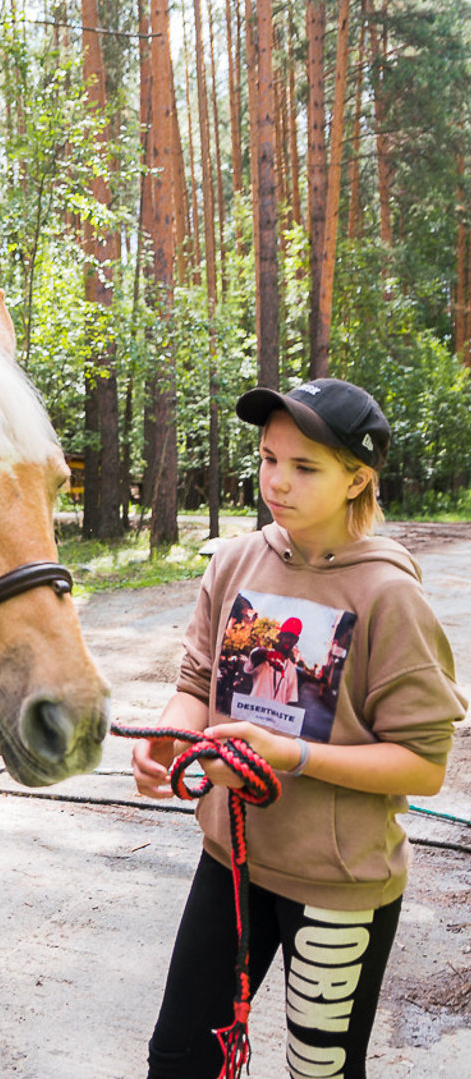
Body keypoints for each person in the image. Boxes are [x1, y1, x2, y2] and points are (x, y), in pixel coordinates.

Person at [131, 378, 466, 1079]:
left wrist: (293, 755)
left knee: (319, 1073)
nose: (276, 482)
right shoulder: (234, 562)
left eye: (304, 466)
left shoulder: (390, 597)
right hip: (230, 862)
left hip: (338, 884)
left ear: (357, 480)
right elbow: (197, 684)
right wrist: (171, 735)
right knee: (180, 1059)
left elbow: (422, 766)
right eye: (267, 459)